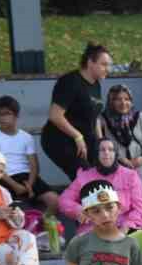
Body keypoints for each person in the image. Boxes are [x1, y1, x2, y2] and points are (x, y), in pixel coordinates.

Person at [0, 95, 63, 248]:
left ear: (16, 116)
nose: (2, 118)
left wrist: (29, 183)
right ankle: (18, 236)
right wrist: (16, 186)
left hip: (27, 176)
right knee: (10, 208)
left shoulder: (26, 137)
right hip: (4, 176)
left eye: (6, 114)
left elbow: (33, 164)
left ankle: (40, 228)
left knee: (54, 200)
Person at [42, 43, 111, 181]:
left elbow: (95, 116)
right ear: (90, 62)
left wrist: (100, 142)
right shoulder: (70, 82)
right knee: (87, 179)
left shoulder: (96, 83)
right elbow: (55, 115)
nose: (107, 69)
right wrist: (77, 136)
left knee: (105, 173)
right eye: (104, 64)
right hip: (60, 139)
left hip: (86, 139)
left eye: (109, 65)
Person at [59, 137, 142, 235]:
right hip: (92, 229)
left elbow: (140, 208)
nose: (106, 153)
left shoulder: (130, 176)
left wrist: (125, 228)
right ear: (96, 153)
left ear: (116, 154)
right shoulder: (84, 176)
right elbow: (64, 200)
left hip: (124, 228)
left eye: (110, 149)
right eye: (102, 150)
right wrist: (78, 210)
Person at [100, 84, 142, 184]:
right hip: (115, 164)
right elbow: (99, 146)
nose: (123, 103)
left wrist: (141, 159)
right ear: (111, 101)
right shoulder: (102, 120)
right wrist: (120, 159)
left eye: (127, 99)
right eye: (118, 99)